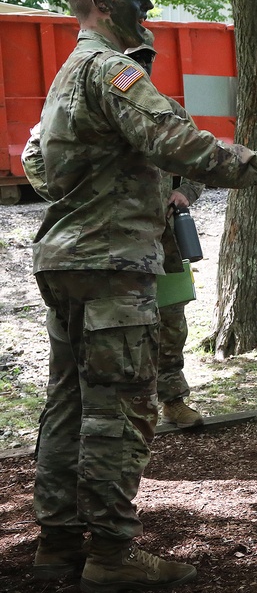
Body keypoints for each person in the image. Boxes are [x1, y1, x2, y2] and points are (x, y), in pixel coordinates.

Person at [31, 0, 257, 591]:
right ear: (102, 1)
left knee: (70, 402)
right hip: (112, 266)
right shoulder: (111, 71)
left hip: (69, 262)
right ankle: (110, 556)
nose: (146, 10)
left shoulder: (66, 77)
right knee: (120, 406)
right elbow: (180, 145)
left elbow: (38, 166)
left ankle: (57, 544)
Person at [22, 33, 207, 431]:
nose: (142, 65)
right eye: (134, 57)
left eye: (147, 58)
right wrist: (71, 197)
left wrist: (183, 193)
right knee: (113, 335)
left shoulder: (167, 110)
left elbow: (196, 162)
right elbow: (34, 155)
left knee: (171, 322)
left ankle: (173, 399)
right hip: (110, 247)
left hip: (163, 243)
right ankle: (117, 421)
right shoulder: (83, 108)